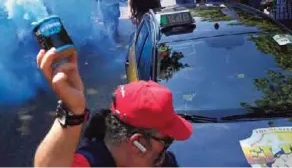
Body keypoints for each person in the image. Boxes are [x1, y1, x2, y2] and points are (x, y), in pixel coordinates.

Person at [34, 48, 192, 167]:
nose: (167, 151)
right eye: (167, 140)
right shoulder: (92, 162)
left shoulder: (163, 162)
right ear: (139, 144)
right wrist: (72, 110)